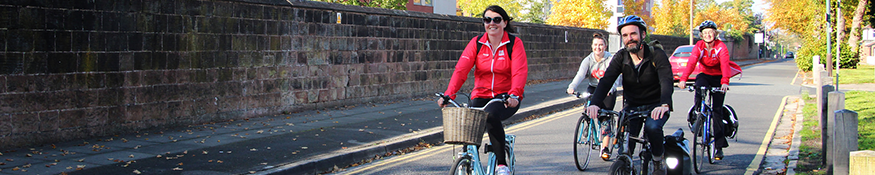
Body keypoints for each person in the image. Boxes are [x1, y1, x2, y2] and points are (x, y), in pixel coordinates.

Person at [437, 5, 527, 175]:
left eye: (496, 19)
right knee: (469, 119)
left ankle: (501, 164)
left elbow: (519, 71)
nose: (491, 23)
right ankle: (468, 160)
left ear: (505, 22)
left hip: (506, 97)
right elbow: (461, 70)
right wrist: (449, 94)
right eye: (487, 20)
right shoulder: (477, 43)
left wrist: (515, 94)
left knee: (491, 116)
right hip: (481, 93)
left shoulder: (514, 43)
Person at [584, 15, 674, 174]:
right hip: (632, 106)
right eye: (625, 35)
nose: (629, 38)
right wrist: (595, 103)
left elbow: (666, 80)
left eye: (633, 34)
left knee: (653, 128)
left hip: (656, 105)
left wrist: (664, 104)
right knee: (625, 148)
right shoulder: (621, 56)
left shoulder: (656, 54)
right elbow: (606, 80)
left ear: (643, 35)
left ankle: (658, 161)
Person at [678, 20, 731, 160]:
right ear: (701, 35)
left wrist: (725, 81)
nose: (708, 35)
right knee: (699, 87)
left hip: (719, 77)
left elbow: (725, 65)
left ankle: (719, 148)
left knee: (717, 111)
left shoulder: (721, 47)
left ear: (715, 33)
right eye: (705, 33)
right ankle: (698, 115)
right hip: (705, 75)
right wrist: (683, 79)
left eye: (710, 32)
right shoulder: (699, 46)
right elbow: (691, 62)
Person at [566, 32, 622, 160]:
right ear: (592, 46)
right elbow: (580, 74)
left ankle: (605, 147)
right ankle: (588, 126)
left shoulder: (610, 59)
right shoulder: (588, 59)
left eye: (601, 45)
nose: (598, 47)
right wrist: (572, 86)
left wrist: (611, 89)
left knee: (604, 118)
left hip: (607, 89)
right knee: (587, 110)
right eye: (596, 45)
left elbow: (616, 77)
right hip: (593, 88)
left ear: (605, 46)